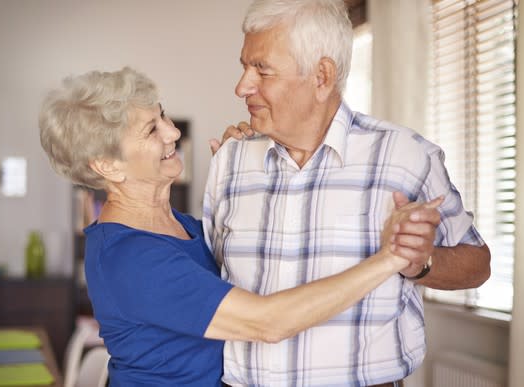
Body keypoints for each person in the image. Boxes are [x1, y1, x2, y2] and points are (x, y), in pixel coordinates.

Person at [38, 67, 442, 386]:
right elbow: (267, 322)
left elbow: (252, 261)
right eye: (151, 129)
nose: (173, 132)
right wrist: (391, 258)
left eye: (162, 115)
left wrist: (241, 175)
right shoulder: (130, 256)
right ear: (107, 166)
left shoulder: (178, 225)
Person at [202, 1, 491, 386]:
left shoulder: (404, 156)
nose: (242, 86)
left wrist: (421, 262)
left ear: (322, 76)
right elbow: (211, 279)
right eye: (244, 66)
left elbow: (478, 263)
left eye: (262, 69)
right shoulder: (229, 161)